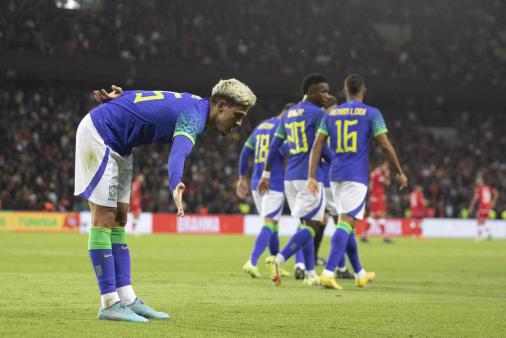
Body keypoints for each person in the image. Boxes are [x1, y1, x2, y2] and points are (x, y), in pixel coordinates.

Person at [75, 80, 256, 322]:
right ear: (222, 106)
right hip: (101, 134)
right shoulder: (194, 117)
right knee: (104, 219)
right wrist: (175, 182)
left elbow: (154, 97)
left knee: (119, 219)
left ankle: (126, 299)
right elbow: (179, 150)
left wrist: (125, 94)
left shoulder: (194, 102)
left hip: (121, 143)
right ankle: (109, 302)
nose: (239, 123)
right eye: (238, 115)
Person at [307, 73, 407, 290]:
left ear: (344, 91)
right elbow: (385, 146)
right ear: (364, 90)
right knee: (346, 223)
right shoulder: (372, 114)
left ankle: (360, 273)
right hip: (356, 176)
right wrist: (398, 171)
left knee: (347, 225)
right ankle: (328, 272)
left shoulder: (331, 114)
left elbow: (317, 146)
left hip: (334, 176)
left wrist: (312, 176)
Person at [258, 73, 331, 286]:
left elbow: (274, 145)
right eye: (323, 91)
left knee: (304, 224)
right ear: (311, 92)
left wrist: (266, 174)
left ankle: (309, 274)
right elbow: (321, 147)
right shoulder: (318, 114)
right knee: (312, 226)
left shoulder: (289, 113)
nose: (327, 95)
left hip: (290, 178)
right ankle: (279, 259)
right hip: (309, 177)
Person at [236, 103, 293, 278]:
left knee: (272, 224)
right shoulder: (283, 129)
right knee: (269, 223)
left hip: (255, 184)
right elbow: (287, 154)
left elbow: (245, 152)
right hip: (273, 182)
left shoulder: (261, 127)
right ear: (287, 114)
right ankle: (252, 261)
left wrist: (242, 178)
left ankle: (275, 264)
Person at [363, 162, 391, 243]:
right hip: (378, 197)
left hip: (374, 197)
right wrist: (387, 176)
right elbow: (387, 183)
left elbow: (371, 187)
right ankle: (385, 237)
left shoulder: (374, 173)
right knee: (380, 215)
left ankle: (364, 235)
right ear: (382, 166)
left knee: (374, 216)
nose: (386, 169)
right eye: (385, 167)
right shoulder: (379, 174)